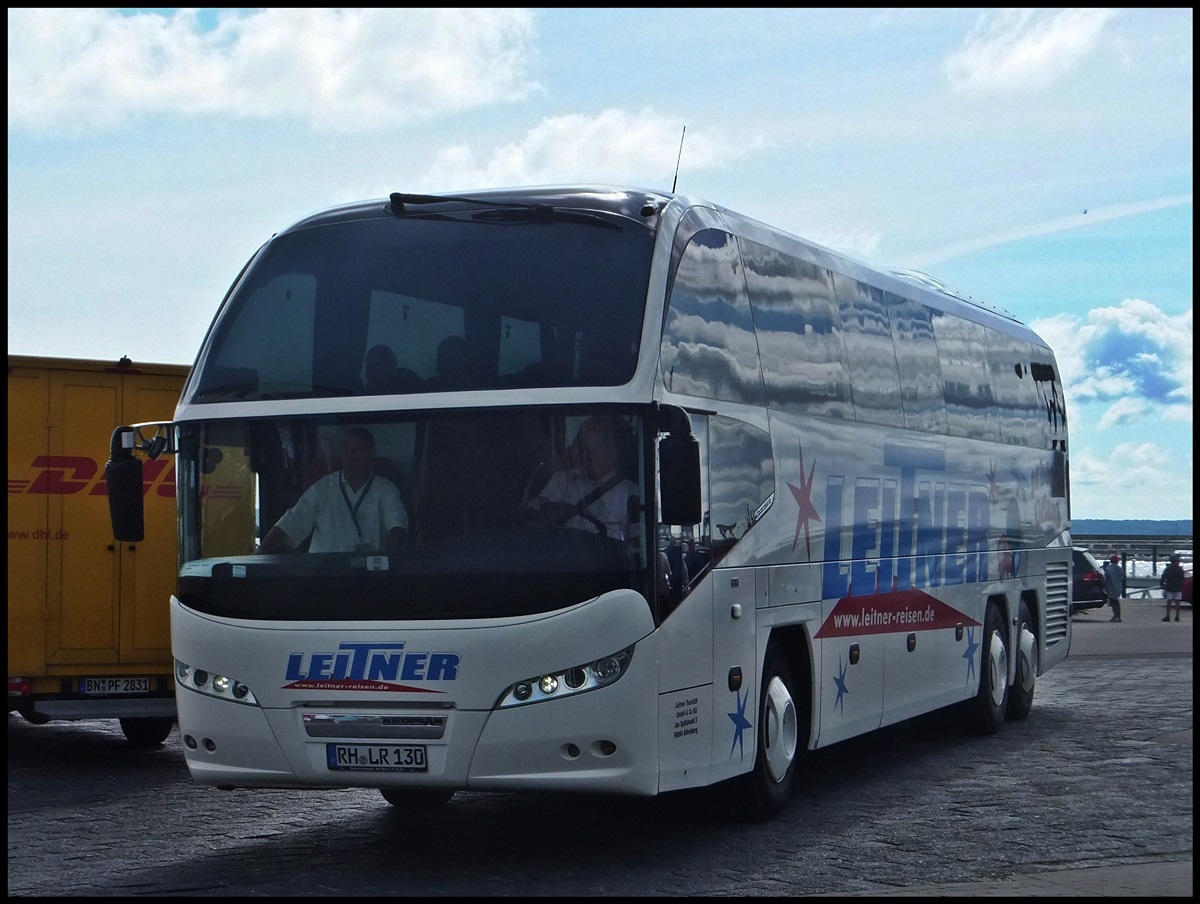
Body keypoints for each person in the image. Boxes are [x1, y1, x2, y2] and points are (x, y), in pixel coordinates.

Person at [258, 427, 408, 553]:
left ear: (372, 453)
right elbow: (290, 523)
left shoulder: (386, 489)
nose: (349, 457)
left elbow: (397, 526)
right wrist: (259, 554)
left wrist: (392, 546)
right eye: (345, 451)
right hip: (323, 573)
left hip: (367, 575)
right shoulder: (323, 487)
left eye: (356, 450)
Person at [521, 414, 637, 539]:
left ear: (612, 453)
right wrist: (538, 505)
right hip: (565, 555)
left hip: (609, 557)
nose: (585, 458)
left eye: (592, 451)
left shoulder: (632, 494)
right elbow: (539, 526)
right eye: (583, 450)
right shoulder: (563, 481)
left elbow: (637, 545)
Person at [1159, 554, 1186, 622]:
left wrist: (1162, 584)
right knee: (1177, 602)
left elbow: (1163, 577)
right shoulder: (1179, 569)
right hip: (1178, 587)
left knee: (1169, 601)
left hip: (1169, 586)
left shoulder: (1168, 568)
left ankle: (1167, 616)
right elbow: (1182, 578)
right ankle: (1177, 616)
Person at [1101, 552, 1124, 622]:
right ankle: (1118, 616)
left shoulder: (1109, 568)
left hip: (1111, 587)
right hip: (1118, 586)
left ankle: (1115, 616)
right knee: (1117, 601)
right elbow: (1122, 577)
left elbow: (1106, 577)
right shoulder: (1120, 569)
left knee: (1113, 602)